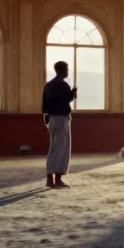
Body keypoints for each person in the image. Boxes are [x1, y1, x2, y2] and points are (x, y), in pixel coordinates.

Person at [42, 60, 77, 189]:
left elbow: (44, 105)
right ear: (62, 70)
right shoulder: (63, 85)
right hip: (62, 118)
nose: (68, 71)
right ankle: (57, 178)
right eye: (67, 69)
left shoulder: (49, 85)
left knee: (53, 148)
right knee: (61, 149)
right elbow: (66, 100)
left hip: (51, 119)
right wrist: (72, 94)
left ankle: (49, 178)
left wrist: (47, 121)